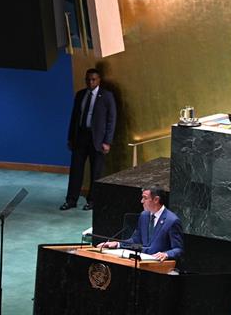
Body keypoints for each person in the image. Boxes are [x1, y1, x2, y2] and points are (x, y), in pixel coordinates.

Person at [63, 68, 117, 211]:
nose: (90, 82)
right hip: (80, 137)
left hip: (97, 139)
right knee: (76, 170)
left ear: (99, 80)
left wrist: (107, 141)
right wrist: (70, 138)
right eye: (88, 79)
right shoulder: (80, 94)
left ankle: (92, 201)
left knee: (96, 171)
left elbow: (112, 120)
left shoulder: (106, 96)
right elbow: (74, 118)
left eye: (93, 79)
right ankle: (71, 200)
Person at [97, 187, 184, 261]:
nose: (142, 201)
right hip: (140, 262)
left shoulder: (172, 220)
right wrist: (118, 244)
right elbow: (136, 241)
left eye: (145, 198)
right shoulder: (144, 215)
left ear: (156, 199)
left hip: (159, 266)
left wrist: (166, 254)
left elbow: (178, 249)